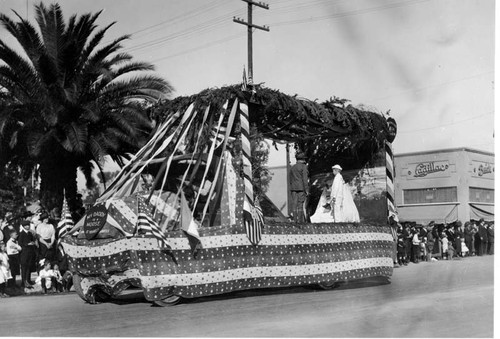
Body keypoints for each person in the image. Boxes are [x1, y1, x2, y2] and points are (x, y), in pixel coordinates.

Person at [289, 152, 309, 223]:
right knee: (300, 204)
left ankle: (295, 220)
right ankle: (300, 222)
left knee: (294, 204)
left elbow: (290, 179)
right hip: (301, 188)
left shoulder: (292, 167)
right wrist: (306, 190)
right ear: (303, 159)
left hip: (293, 188)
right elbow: (305, 179)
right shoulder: (303, 167)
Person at [18, 220, 37, 288]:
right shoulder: (21, 234)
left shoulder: (30, 233)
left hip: (30, 252)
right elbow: (20, 243)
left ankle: (28, 280)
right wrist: (27, 244)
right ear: (23, 226)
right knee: (24, 267)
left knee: (29, 266)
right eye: (26, 225)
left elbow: (32, 240)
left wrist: (33, 243)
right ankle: (23, 281)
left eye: (28, 225)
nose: (27, 226)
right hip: (24, 253)